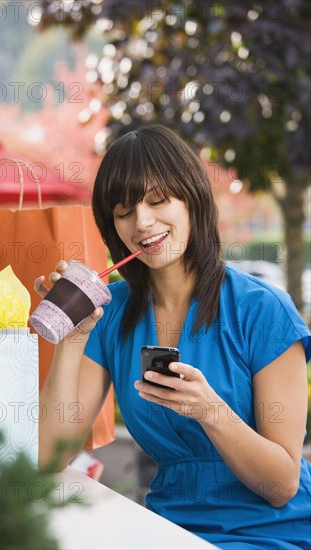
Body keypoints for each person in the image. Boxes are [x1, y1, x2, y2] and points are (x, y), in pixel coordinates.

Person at [35, 124, 311, 549]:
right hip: (169, 531)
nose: (142, 222)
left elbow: (282, 485)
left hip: (271, 533)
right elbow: (49, 457)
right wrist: (73, 337)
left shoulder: (264, 311)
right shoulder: (110, 314)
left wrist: (210, 411)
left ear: (192, 199)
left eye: (157, 200)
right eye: (124, 211)